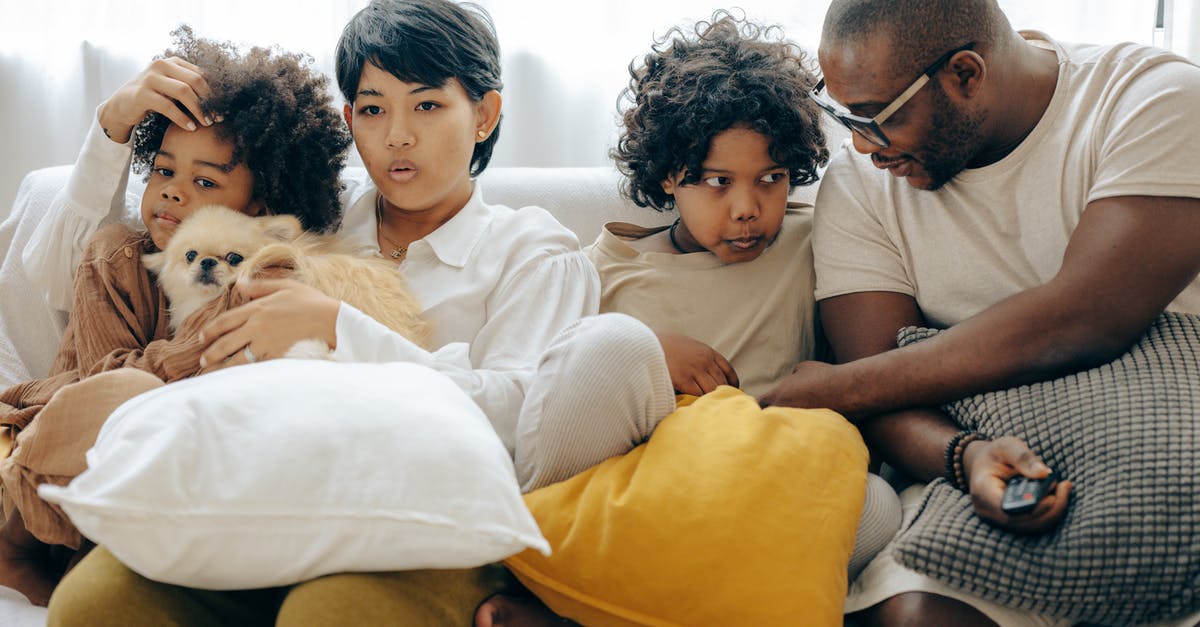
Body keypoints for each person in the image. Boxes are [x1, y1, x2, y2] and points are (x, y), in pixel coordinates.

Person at [48, 1, 672, 624]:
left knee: (331, 613)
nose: (397, 135)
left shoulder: (532, 251)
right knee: (92, 604)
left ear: (484, 115)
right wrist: (111, 128)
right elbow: (90, 263)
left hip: (422, 522)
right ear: (350, 119)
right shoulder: (307, 210)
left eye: (427, 105)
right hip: (257, 494)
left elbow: (524, 421)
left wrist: (338, 327)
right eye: (373, 109)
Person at [754, 0, 1200, 625]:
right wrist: (964, 456)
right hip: (981, 465)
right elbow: (883, 387)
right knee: (914, 615)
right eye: (845, 115)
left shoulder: (1152, 98)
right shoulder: (859, 184)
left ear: (965, 73)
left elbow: (1085, 319)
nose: (860, 144)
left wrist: (833, 389)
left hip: (1167, 439)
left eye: (880, 118)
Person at [474, 13, 903, 625]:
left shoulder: (815, 241)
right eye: (718, 182)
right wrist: (652, 351)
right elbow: (547, 391)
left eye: (771, 179)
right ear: (670, 176)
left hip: (753, 490)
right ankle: (557, 579)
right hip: (633, 496)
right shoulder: (600, 268)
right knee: (609, 344)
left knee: (878, 504)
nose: (748, 208)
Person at [0, 26, 351, 606]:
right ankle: (17, 549)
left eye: (204, 181)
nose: (172, 193)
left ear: (260, 205)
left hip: (184, 473)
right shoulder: (118, 256)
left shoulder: (267, 281)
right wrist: (195, 353)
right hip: (91, 440)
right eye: (163, 172)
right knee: (123, 396)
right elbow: (104, 381)